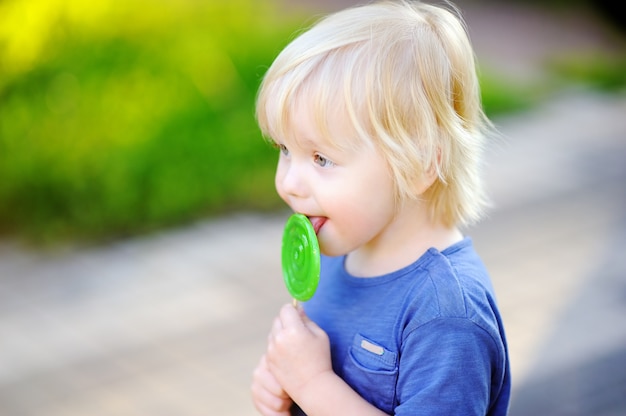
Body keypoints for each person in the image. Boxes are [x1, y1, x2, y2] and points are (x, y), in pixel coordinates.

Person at [251, 0, 511, 414]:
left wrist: (312, 383)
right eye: (285, 149)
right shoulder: (341, 250)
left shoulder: (446, 317)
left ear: (420, 164)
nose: (287, 183)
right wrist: (284, 384)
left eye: (321, 158)